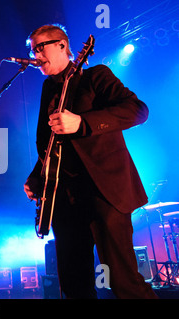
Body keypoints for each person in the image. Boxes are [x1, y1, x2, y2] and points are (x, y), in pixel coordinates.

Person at [23, 24, 158, 299]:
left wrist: (83, 122)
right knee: (74, 285)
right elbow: (51, 145)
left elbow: (137, 110)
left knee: (122, 281)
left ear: (62, 45)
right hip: (64, 199)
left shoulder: (95, 76)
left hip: (103, 191)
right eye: (32, 49)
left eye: (41, 46)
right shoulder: (48, 89)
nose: (35, 54)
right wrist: (37, 177)